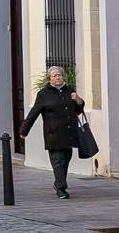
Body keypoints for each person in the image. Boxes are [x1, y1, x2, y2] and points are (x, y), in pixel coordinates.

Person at [20, 66, 85, 199]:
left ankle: (58, 182)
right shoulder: (43, 94)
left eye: (59, 75)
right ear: (49, 79)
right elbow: (33, 113)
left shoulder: (70, 90)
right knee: (58, 161)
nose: (57, 78)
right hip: (53, 133)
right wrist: (24, 130)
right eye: (54, 76)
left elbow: (78, 110)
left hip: (68, 133)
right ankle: (61, 189)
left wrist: (78, 100)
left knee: (66, 159)